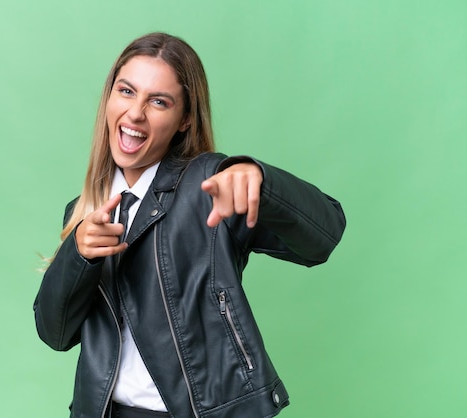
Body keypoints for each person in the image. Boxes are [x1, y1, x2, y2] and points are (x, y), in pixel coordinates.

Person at [33, 32, 346, 418]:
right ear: (109, 99)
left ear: (184, 121)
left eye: (159, 102)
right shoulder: (83, 213)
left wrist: (261, 182)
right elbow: (55, 334)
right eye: (126, 92)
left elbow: (323, 237)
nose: (135, 113)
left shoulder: (209, 186)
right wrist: (78, 254)